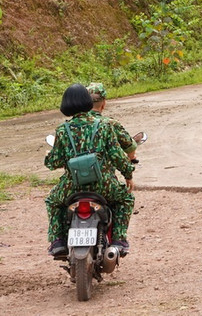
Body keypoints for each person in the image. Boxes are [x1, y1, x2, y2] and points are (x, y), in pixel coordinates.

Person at [44, 83, 135, 256]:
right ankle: (119, 239)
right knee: (126, 199)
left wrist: (49, 155)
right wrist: (128, 175)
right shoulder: (104, 126)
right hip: (104, 186)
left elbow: (53, 163)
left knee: (53, 201)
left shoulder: (63, 130)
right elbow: (117, 156)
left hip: (72, 187)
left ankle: (57, 241)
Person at [87, 82, 137, 161]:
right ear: (103, 103)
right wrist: (131, 159)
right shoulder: (110, 123)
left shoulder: (69, 126)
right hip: (103, 172)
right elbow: (129, 146)